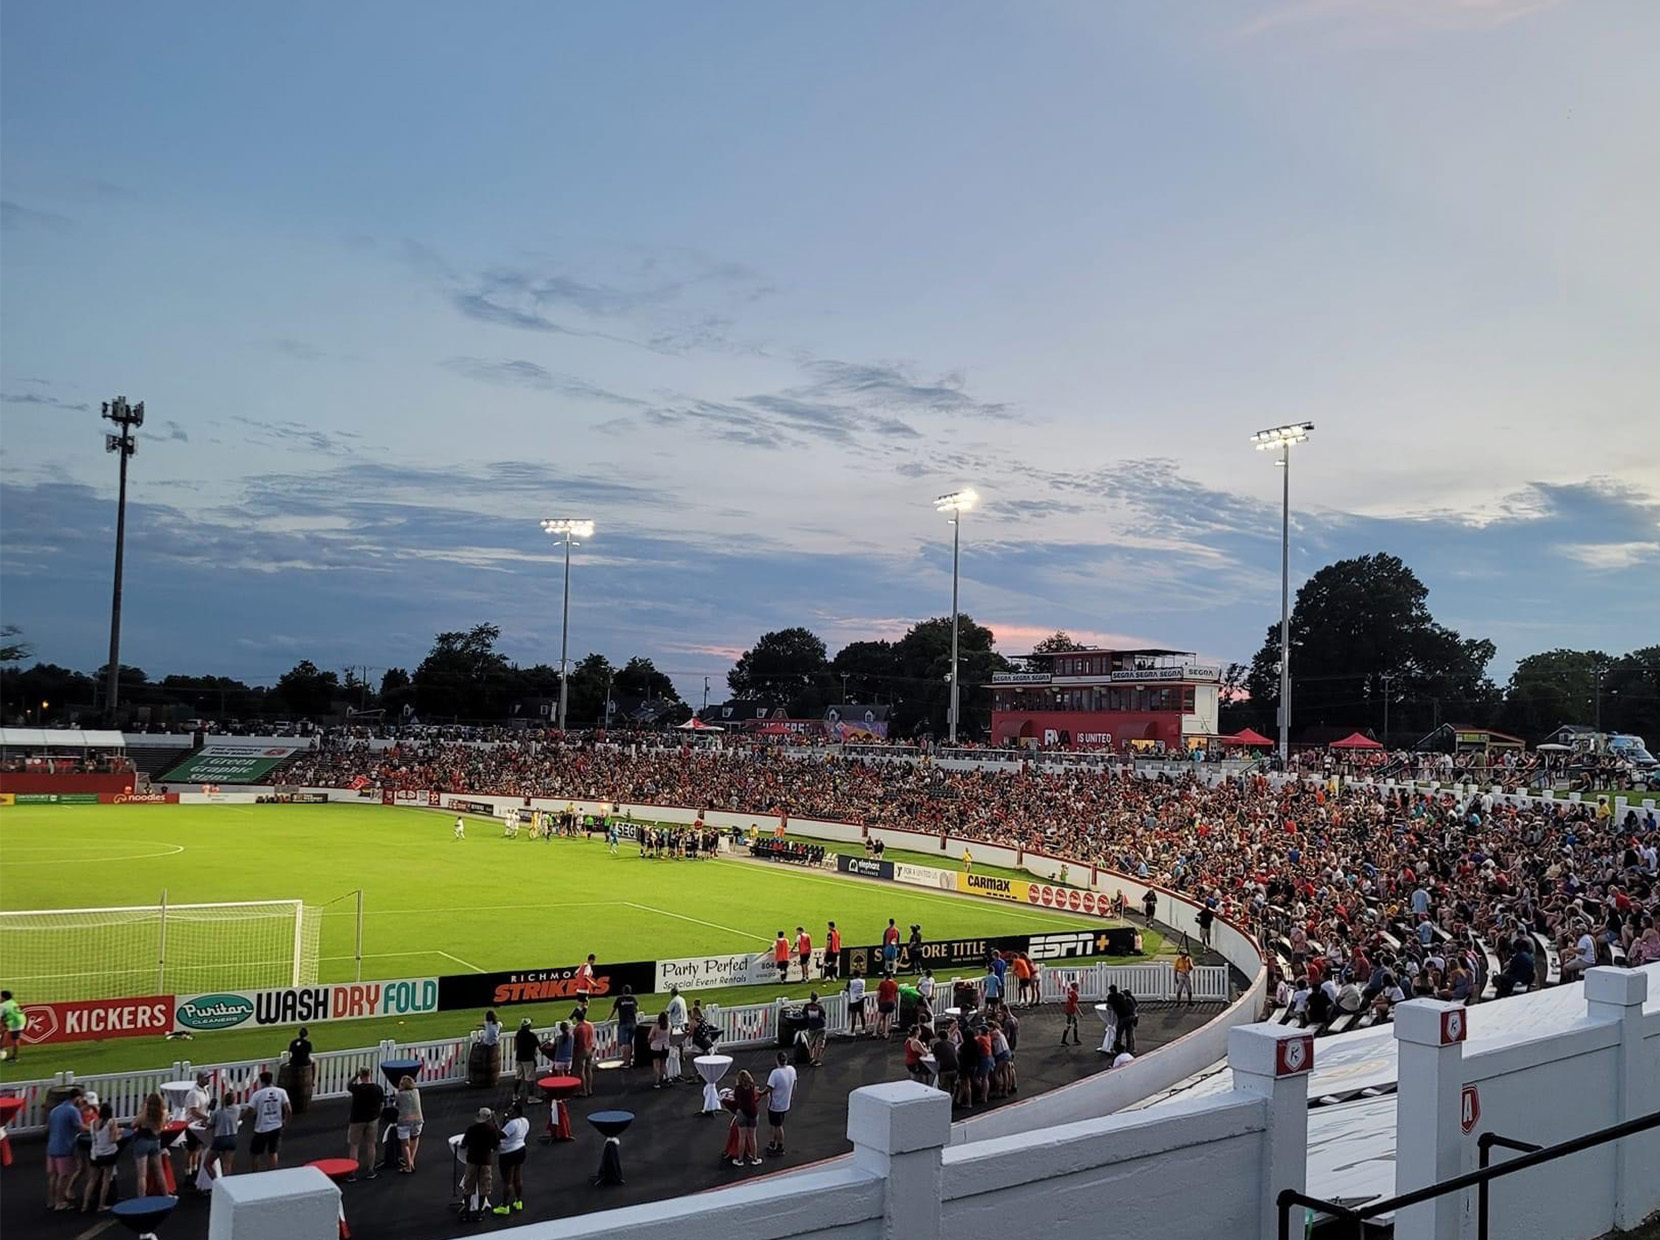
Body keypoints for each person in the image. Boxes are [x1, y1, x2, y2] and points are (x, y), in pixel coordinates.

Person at [45, 1085, 86, 1210]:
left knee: (53, 1175)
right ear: (77, 1098)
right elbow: (80, 1126)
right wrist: (95, 1129)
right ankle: (60, 1202)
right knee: (64, 1176)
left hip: (52, 1147)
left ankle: (51, 1201)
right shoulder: (72, 1111)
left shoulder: (55, 1110)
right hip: (64, 1148)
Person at [459, 1107, 501, 1222]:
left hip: (472, 1160)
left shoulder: (471, 1129)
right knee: (484, 1188)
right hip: (485, 1161)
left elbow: (463, 1144)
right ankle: (479, 1212)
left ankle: (466, 1212)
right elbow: (496, 1146)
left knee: (468, 1187)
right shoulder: (492, 1130)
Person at [248, 1070, 292, 1171]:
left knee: (255, 1153)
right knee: (273, 1152)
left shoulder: (257, 1094)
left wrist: (240, 1117)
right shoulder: (281, 1092)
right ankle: (272, 1174)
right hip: (276, 1126)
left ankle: (255, 1175)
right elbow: (288, 1109)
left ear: (261, 1081)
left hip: (262, 1128)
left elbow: (250, 1110)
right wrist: (286, 1122)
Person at [345, 1066, 384, 1180]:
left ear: (361, 1076)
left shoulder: (357, 1089)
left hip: (357, 1120)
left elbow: (348, 1084)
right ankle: (371, 1170)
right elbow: (381, 1105)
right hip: (372, 1119)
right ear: (370, 1074)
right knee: (371, 1144)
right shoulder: (377, 1088)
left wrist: (355, 1076)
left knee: (354, 1146)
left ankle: (352, 1173)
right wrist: (377, 1116)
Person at [82, 1101, 120, 1212]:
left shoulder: (93, 1122)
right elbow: (112, 1139)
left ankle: (85, 1205)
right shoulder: (111, 1122)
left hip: (95, 1153)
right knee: (106, 1180)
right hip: (108, 1154)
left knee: (92, 1180)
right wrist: (119, 1135)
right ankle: (101, 1205)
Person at [492, 1102, 529, 1215]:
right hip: (521, 1150)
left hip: (508, 1153)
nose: (508, 1112)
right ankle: (518, 1201)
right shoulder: (525, 1121)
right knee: (517, 1177)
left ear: (517, 1112)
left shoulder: (512, 1124)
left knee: (507, 1181)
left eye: (511, 1111)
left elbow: (500, 1135)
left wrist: (495, 1123)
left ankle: (504, 1206)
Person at [131, 1091, 168, 1195]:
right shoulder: (164, 1113)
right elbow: (160, 1128)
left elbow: (133, 1124)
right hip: (155, 1141)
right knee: (159, 1171)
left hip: (142, 1141)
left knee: (142, 1175)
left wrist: (142, 1110)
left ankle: (141, 1199)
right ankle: (166, 1195)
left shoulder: (145, 1115)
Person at [763, 1050, 797, 1156]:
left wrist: (759, 1093)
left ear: (777, 1060)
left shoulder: (775, 1073)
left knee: (778, 1125)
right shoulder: (791, 1070)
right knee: (775, 1124)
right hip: (785, 1102)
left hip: (775, 1104)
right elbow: (795, 1084)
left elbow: (769, 1088)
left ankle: (780, 1147)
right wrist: (791, 1096)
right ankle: (773, 1143)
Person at [182, 1070, 213, 1181]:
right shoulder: (194, 1093)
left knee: (197, 1149)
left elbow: (203, 1108)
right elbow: (194, 1111)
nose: (208, 1080)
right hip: (192, 1125)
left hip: (199, 1125)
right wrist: (206, 1118)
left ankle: (194, 1170)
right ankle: (188, 1173)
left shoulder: (204, 1090)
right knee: (190, 1150)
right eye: (206, 1078)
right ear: (199, 1079)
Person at [207, 1090, 241, 1180]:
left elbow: (210, 1125)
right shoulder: (237, 1109)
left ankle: (216, 1181)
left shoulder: (218, 1112)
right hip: (232, 1138)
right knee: (227, 1165)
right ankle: (227, 1185)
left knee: (207, 1163)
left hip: (220, 1139)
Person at [730, 1070, 761, 1167]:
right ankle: (755, 1158)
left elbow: (735, 1098)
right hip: (753, 1112)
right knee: (752, 1137)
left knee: (742, 1137)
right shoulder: (752, 1086)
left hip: (742, 1113)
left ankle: (740, 1160)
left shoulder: (738, 1088)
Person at [395, 1074, 423, 1171]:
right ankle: (411, 1160)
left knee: (405, 1144)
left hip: (404, 1122)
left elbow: (396, 1105)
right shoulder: (416, 1092)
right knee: (415, 1139)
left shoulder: (399, 1095)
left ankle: (408, 1166)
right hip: (418, 1121)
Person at [610, 986, 639, 1069]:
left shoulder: (619, 999)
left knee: (624, 1043)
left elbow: (613, 1010)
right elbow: (636, 1009)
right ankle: (629, 1060)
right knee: (629, 1042)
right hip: (633, 1023)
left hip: (623, 1023)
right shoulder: (633, 998)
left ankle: (626, 1062)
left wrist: (608, 1019)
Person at [513, 1017, 540, 1103]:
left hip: (519, 1058)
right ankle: (531, 1097)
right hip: (528, 1058)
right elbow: (539, 1045)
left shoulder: (518, 1034)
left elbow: (515, 1047)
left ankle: (515, 1095)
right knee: (530, 1078)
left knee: (518, 1077)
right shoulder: (531, 1035)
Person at [930, 1024, 959, 1099]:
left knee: (944, 1087)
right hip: (955, 1067)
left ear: (939, 1037)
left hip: (944, 1068)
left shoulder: (937, 1045)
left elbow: (936, 1058)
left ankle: (946, 1102)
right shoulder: (952, 1044)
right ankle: (953, 1100)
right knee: (953, 1085)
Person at [574, 1011, 597, 1097]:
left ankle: (584, 1090)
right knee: (588, 1069)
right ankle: (589, 1089)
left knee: (581, 1071)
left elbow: (575, 1040)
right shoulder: (590, 1025)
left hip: (582, 1050)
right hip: (590, 1049)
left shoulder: (578, 1028)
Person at [802, 990, 827, 1065]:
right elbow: (824, 1014)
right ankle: (817, 1060)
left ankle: (811, 1058)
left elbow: (804, 1014)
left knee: (811, 1044)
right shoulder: (820, 1006)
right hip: (821, 1027)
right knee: (819, 1044)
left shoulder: (807, 1006)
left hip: (811, 1028)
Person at [649, 1011, 673, 1088]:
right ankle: (668, 1078)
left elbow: (650, 1037)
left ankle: (657, 1082)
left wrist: (651, 1041)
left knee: (656, 1065)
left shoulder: (656, 1026)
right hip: (665, 1047)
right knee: (664, 1064)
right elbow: (671, 1035)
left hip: (656, 1047)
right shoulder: (669, 1025)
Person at [0, 989, 25, 1062]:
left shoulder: (3, 1005)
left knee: (15, 1039)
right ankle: (2, 1048)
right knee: (4, 1031)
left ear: (3, 997)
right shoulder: (12, 1002)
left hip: (15, 1022)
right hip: (20, 1020)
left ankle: (14, 1057)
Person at [875, 971, 900, 1040]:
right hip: (891, 1002)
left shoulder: (882, 983)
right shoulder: (895, 984)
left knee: (879, 1018)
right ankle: (886, 1033)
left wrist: (877, 1002)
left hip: (883, 1002)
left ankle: (875, 1032)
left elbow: (878, 994)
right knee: (888, 1018)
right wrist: (896, 1003)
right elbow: (896, 995)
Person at [1061, 980, 1082, 1045]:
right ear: (1075, 987)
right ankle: (1063, 1040)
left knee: (1075, 1023)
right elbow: (1074, 1005)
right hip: (1071, 1011)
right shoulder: (1075, 995)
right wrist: (1080, 1013)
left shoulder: (1071, 993)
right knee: (1068, 1025)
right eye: (1077, 987)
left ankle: (1075, 1039)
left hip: (1068, 1010)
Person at [847, 969, 867, 1034]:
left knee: (853, 1016)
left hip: (854, 1000)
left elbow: (847, 988)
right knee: (862, 1015)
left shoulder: (851, 982)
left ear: (854, 975)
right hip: (861, 999)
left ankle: (852, 1031)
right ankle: (863, 1029)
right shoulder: (863, 981)